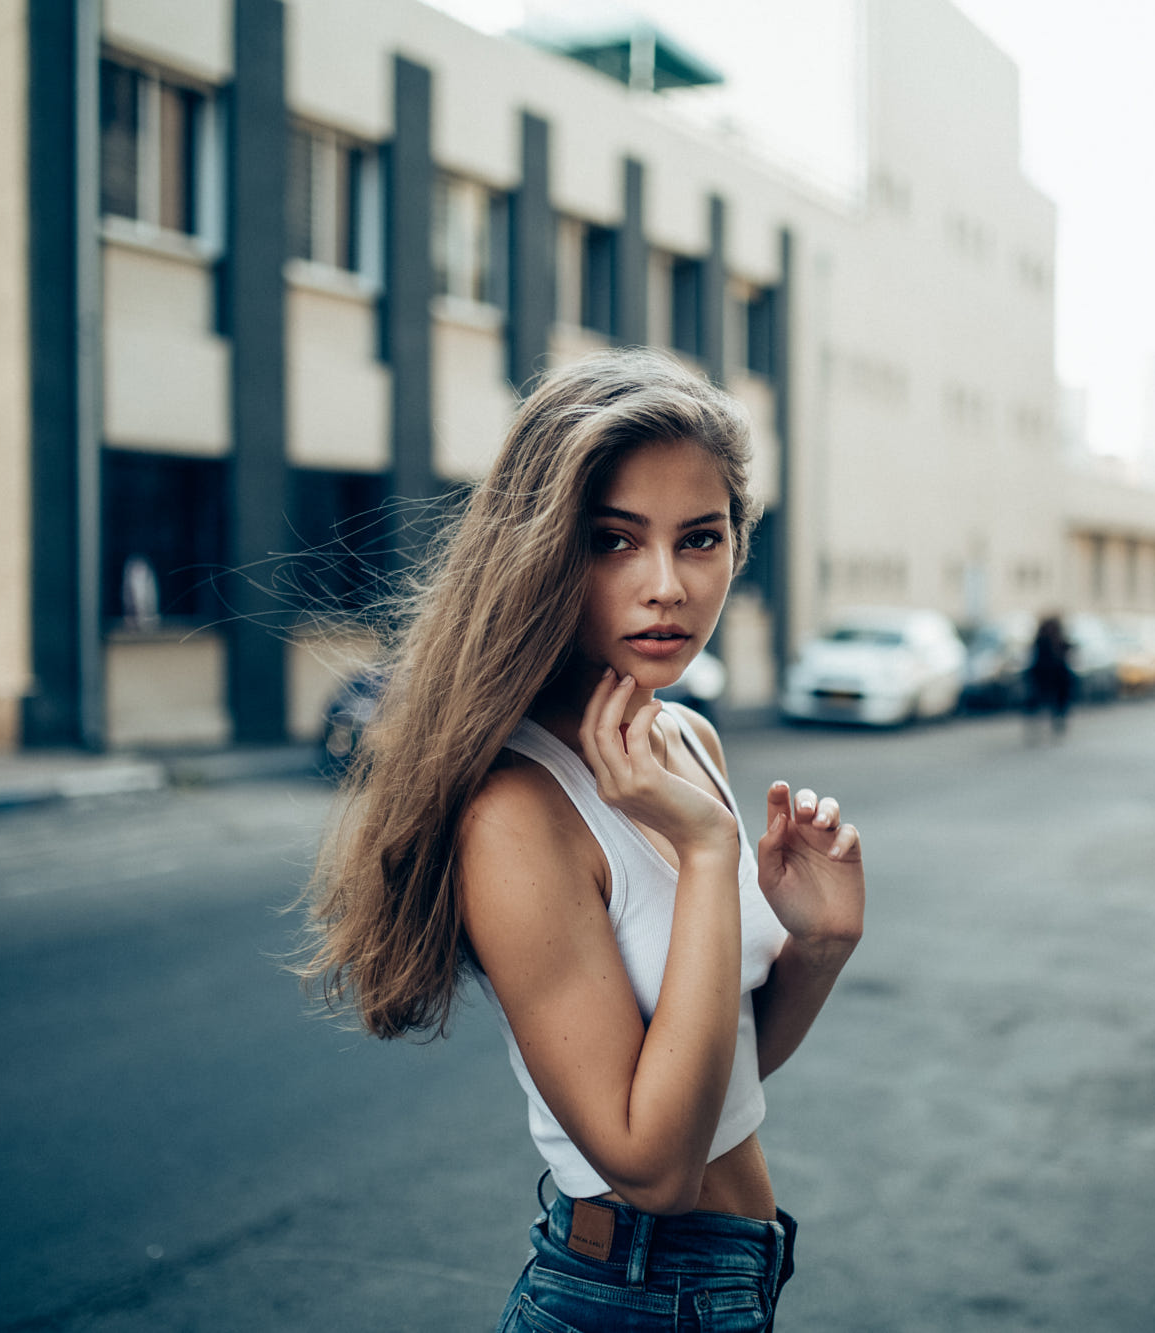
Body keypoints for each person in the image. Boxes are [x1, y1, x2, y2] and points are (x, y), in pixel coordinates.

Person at [300, 348, 866, 1331]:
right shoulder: (515, 807)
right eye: (613, 540)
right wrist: (701, 857)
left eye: (699, 538)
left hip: (733, 1276)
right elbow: (648, 1163)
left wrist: (815, 947)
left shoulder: (683, 737)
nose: (665, 586)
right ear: (545, 548)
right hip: (625, 1297)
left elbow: (707, 1084)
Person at [1023, 612, 1073, 741]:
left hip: (1049, 675)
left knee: (1048, 700)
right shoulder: (1045, 639)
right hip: (1048, 675)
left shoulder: (1050, 638)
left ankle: (1054, 720)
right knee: (1047, 700)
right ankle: (1054, 720)